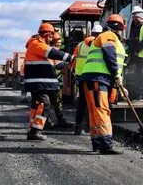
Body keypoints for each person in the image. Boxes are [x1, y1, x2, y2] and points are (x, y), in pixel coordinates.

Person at [80, 14, 127, 154]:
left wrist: (120, 83)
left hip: (97, 78)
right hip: (97, 78)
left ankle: (97, 143)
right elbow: (109, 55)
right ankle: (106, 144)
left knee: (96, 112)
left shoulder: (109, 37)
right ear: (117, 28)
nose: (121, 33)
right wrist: (116, 75)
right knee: (101, 110)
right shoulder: (109, 35)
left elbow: (116, 61)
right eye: (121, 30)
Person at [24, 23, 75, 141]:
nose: (52, 39)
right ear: (46, 34)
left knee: (36, 106)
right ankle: (36, 131)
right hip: (37, 83)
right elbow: (53, 53)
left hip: (38, 83)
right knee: (44, 104)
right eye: (51, 36)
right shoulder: (37, 44)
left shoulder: (37, 45)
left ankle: (33, 130)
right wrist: (71, 58)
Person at [72, 24, 103, 135]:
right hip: (95, 76)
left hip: (81, 76)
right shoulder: (100, 44)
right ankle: (92, 128)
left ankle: (78, 128)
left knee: (82, 102)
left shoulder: (80, 45)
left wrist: (75, 73)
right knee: (95, 102)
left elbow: (74, 60)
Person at [45, 31, 73, 128]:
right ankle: (57, 121)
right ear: (54, 41)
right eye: (58, 41)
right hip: (54, 81)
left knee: (50, 103)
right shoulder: (53, 51)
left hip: (51, 81)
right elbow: (57, 66)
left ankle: (48, 121)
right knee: (56, 102)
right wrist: (67, 64)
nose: (60, 43)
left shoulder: (50, 50)